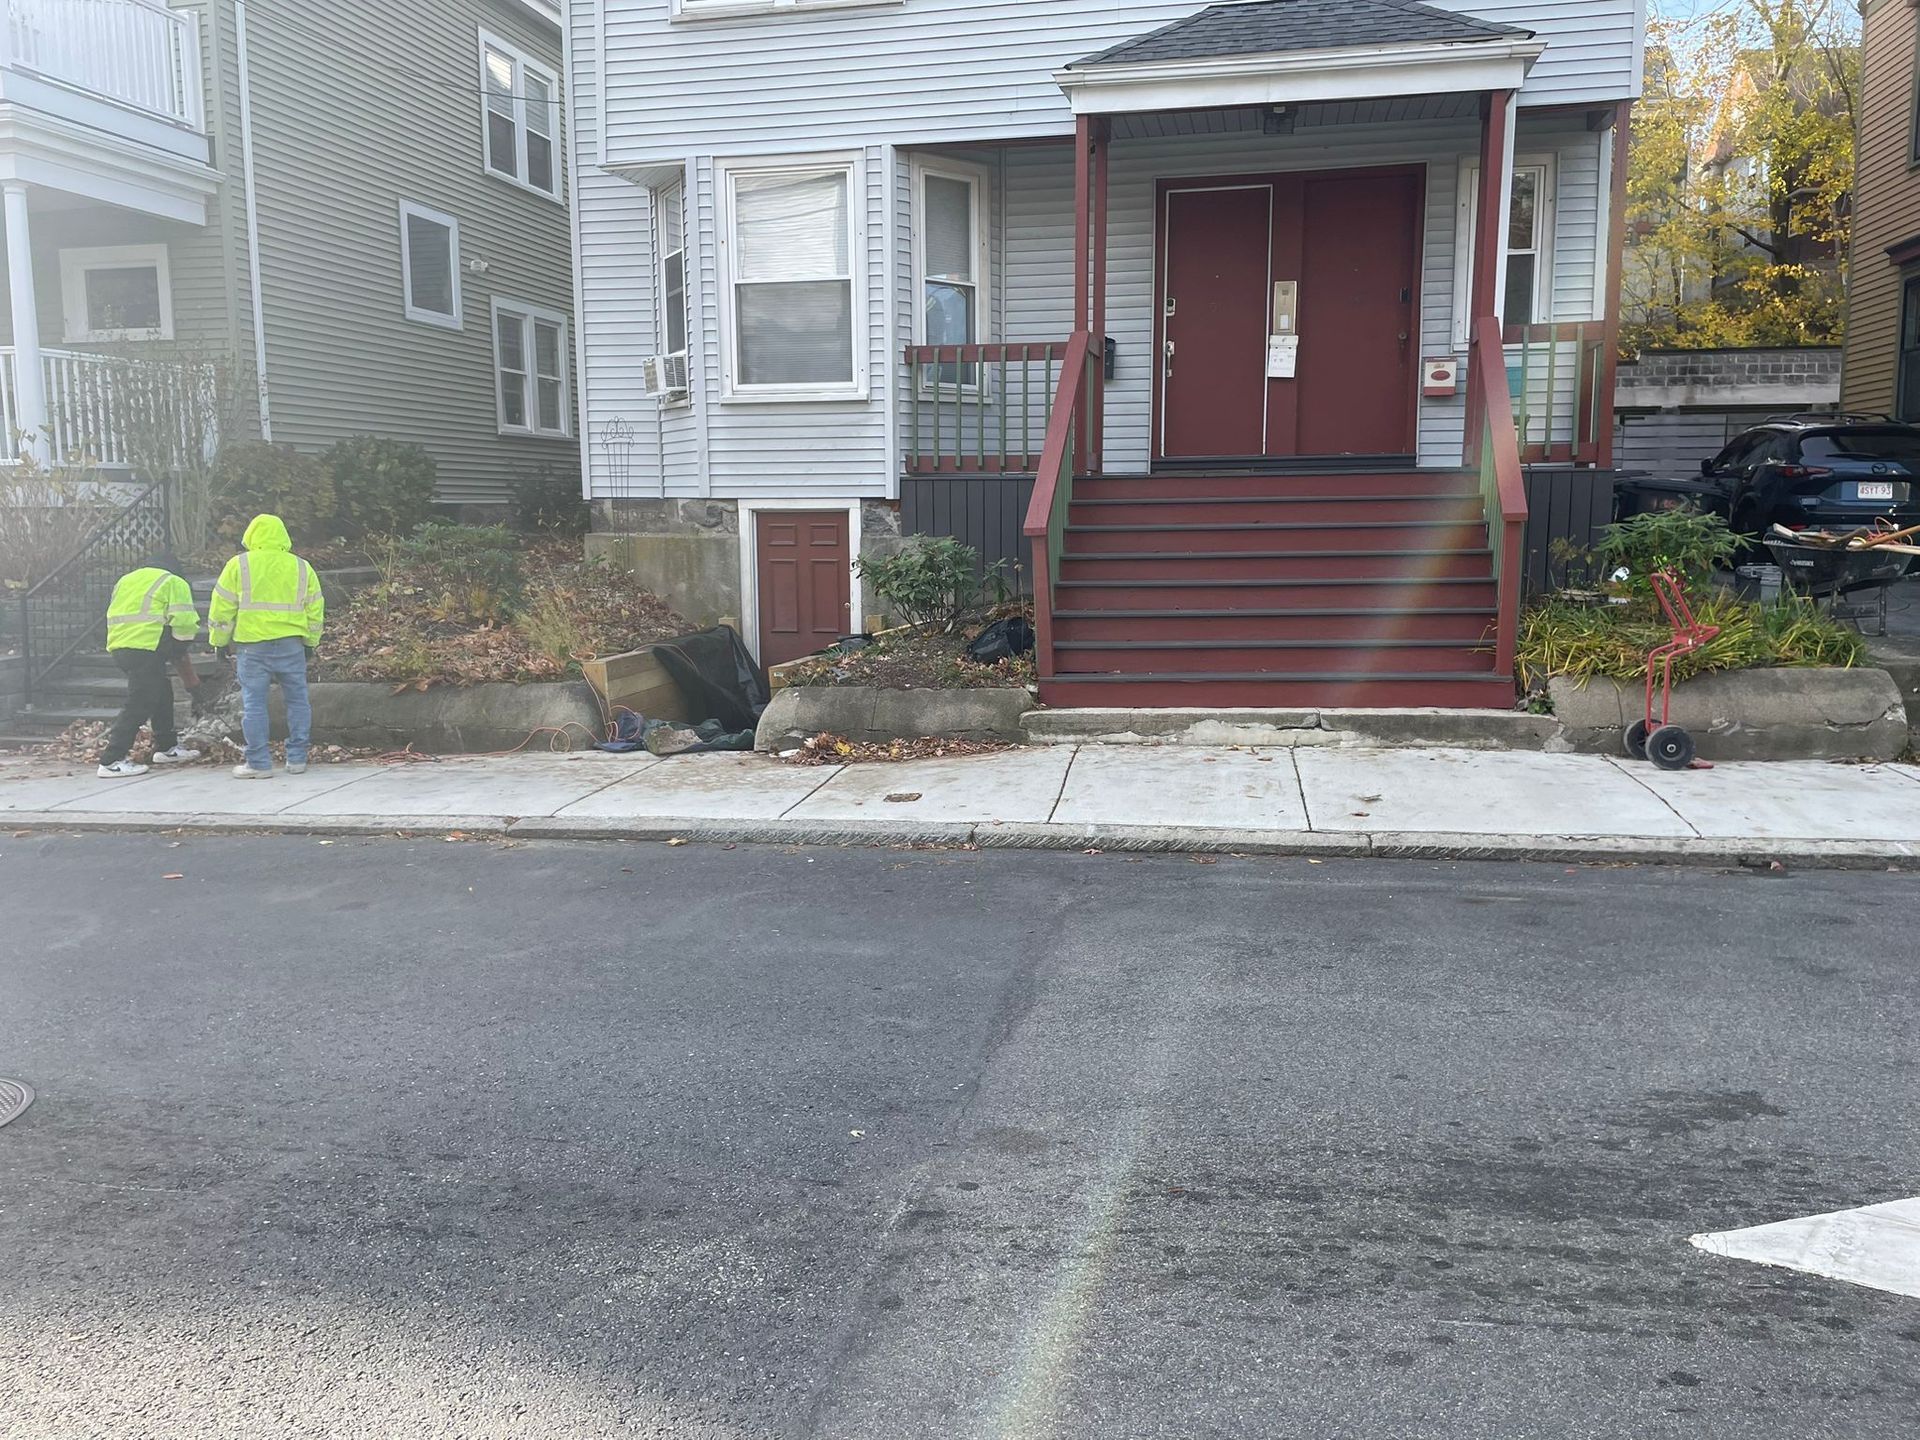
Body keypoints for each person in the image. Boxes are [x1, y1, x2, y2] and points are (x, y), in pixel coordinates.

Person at [208, 513, 324, 779]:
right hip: (291, 644)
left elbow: (222, 607)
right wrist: (310, 642)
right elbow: (315, 608)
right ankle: (297, 759)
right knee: (297, 700)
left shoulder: (239, 565)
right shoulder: (301, 567)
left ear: (251, 535)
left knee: (254, 704)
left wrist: (219, 642)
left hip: (252, 645)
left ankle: (258, 763)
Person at [97, 552, 204, 778]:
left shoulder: (126, 580)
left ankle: (166, 747)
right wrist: (179, 649)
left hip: (120, 647)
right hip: (146, 647)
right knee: (140, 702)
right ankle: (111, 760)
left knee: (161, 691)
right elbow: (185, 622)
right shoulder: (174, 581)